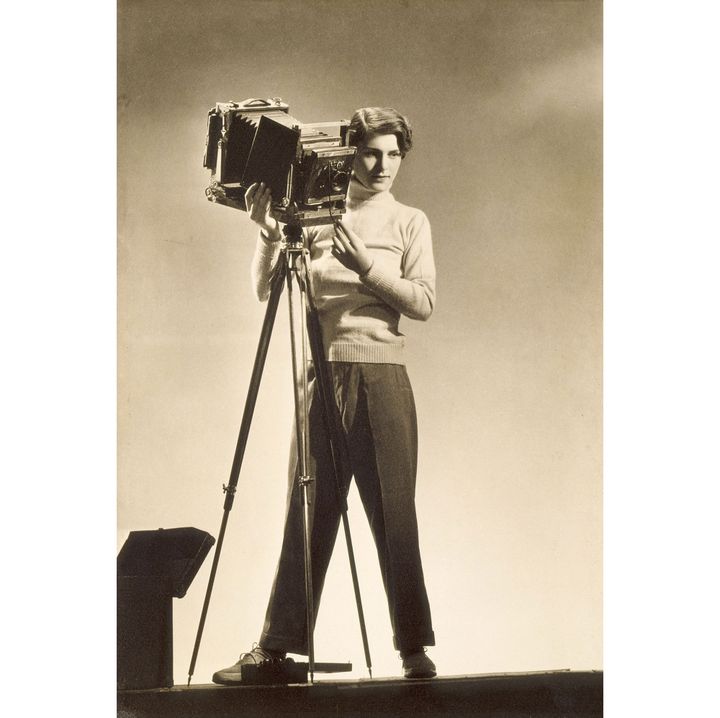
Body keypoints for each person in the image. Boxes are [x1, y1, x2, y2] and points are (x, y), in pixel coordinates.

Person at [212, 107, 437, 683]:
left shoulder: (411, 221)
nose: (382, 165)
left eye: (393, 154)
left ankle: (414, 648)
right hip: (323, 377)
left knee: (395, 516)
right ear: (347, 155)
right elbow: (266, 289)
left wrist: (366, 268)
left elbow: (423, 303)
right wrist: (267, 232)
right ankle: (276, 648)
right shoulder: (314, 219)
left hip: (383, 377)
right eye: (370, 153)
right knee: (306, 514)